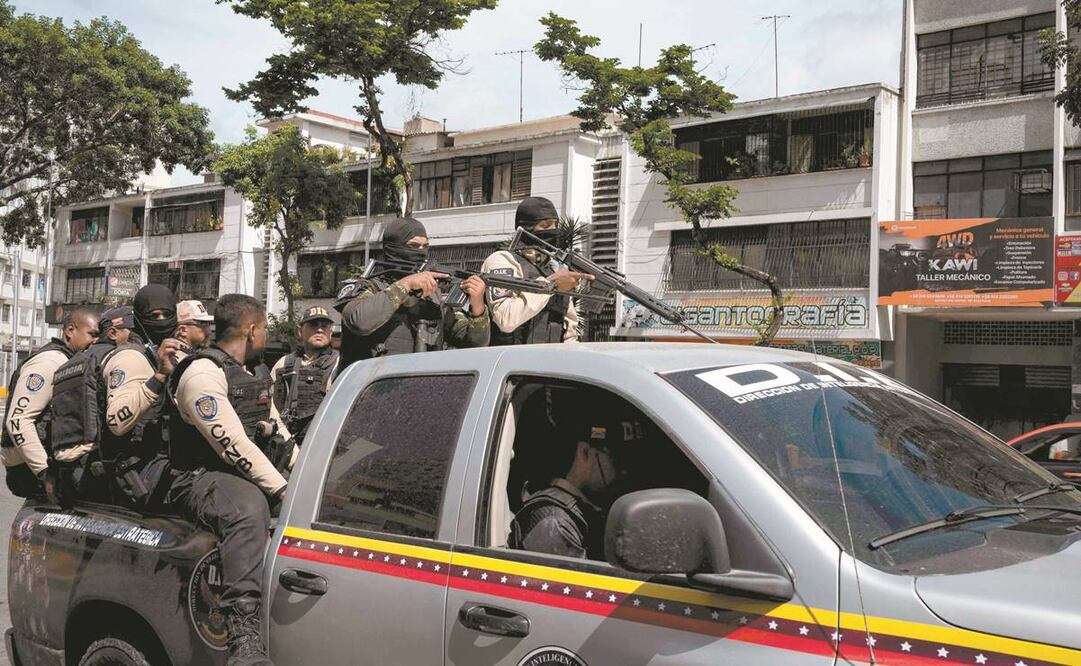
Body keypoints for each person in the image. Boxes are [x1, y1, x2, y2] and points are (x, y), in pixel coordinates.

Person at [167, 294, 294, 666]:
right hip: (197, 477)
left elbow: (281, 434)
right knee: (246, 506)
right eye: (265, 328)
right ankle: (243, 634)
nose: (266, 335)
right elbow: (231, 444)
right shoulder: (202, 373)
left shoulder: (253, 372)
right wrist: (282, 489)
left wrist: (307, 476)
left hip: (238, 470)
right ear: (251, 329)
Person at [51, 286, 182, 506]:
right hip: (130, 477)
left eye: (167, 315)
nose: (161, 321)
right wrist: (158, 378)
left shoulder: (157, 353)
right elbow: (116, 422)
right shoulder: (129, 357)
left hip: (122, 470)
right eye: (153, 316)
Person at [335, 217, 489, 374]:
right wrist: (406, 285)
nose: (421, 252)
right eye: (414, 246)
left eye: (425, 246)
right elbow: (360, 321)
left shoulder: (433, 297)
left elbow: (474, 344)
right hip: (368, 389)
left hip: (418, 391)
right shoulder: (368, 287)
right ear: (392, 248)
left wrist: (477, 306)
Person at [509, 409, 640, 561]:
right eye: (615, 459)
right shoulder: (553, 522)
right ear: (584, 452)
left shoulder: (585, 510)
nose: (623, 471)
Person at [0, 307, 99, 498]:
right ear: (70, 330)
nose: (95, 341)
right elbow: (18, 420)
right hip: (30, 468)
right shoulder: (50, 362)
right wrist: (45, 473)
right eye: (92, 334)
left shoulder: (70, 360)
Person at [480, 197, 593, 345]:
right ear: (525, 229)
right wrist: (550, 285)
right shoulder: (503, 261)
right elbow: (505, 319)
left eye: (555, 225)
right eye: (545, 226)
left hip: (549, 359)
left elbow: (569, 329)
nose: (553, 231)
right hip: (511, 361)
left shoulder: (553, 268)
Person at [271, 305, 338, 444]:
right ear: (300, 331)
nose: (319, 329)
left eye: (324, 326)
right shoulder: (283, 363)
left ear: (330, 332)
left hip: (321, 444)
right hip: (284, 443)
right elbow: (269, 407)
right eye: (313, 324)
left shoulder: (339, 364)